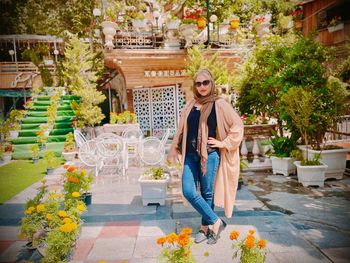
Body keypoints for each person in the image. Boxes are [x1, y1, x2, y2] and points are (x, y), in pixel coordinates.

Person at [167, 68, 243, 245]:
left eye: (205, 82)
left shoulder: (219, 104)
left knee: (207, 193)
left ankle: (205, 228)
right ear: (195, 86)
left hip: (209, 155)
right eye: (198, 83)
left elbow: (237, 125)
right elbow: (181, 128)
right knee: (188, 191)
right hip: (190, 156)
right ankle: (216, 222)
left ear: (211, 83)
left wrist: (222, 143)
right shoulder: (190, 104)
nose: (202, 86)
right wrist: (173, 147)